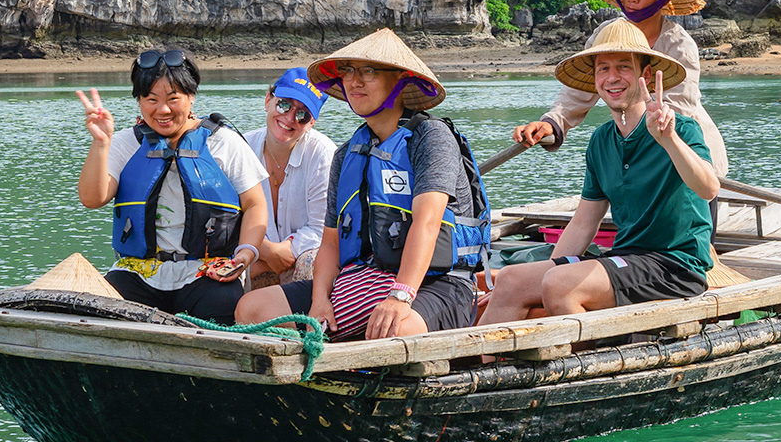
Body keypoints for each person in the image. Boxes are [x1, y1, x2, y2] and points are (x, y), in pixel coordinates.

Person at [234, 28, 490, 340]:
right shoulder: (347, 153)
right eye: (348, 72)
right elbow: (330, 243)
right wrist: (319, 302)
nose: (355, 81)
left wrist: (400, 297)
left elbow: (427, 223)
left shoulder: (430, 137)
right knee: (253, 308)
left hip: (436, 284)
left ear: (399, 80)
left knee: (393, 329)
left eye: (369, 71)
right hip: (362, 280)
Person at [480, 19, 717, 323]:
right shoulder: (601, 140)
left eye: (623, 67)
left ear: (645, 74)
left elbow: (708, 188)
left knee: (560, 286)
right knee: (511, 280)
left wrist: (668, 140)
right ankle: (488, 367)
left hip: (675, 266)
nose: (612, 78)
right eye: (603, 69)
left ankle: (578, 366)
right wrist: (547, 271)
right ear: (594, 79)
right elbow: (582, 225)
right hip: (626, 260)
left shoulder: (680, 129)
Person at [75, 48, 269, 323]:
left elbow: (255, 204)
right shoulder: (125, 143)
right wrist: (101, 142)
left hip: (207, 271)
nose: (162, 110)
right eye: (150, 99)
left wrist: (245, 254)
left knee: (223, 312)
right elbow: (92, 199)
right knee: (103, 315)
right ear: (139, 101)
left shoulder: (223, 142)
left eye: (172, 98)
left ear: (191, 97)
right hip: (137, 273)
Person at [510, 0, 728, 177]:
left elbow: (679, 108)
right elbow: (577, 92)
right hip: (638, 155)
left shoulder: (678, 44)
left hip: (689, 153)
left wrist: (642, 135)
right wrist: (553, 123)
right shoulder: (606, 34)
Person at [242, 67, 336, 287]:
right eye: (284, 104)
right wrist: (267, 250)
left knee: (310, 261)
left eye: (303, 115)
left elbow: (321, 229)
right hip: (257, 252)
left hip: (305, 256)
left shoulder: (323, 154)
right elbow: (228, 217)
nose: (290, 118)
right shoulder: (242, 147)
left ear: (312, 123)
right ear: (268, 100)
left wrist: (285, 250)